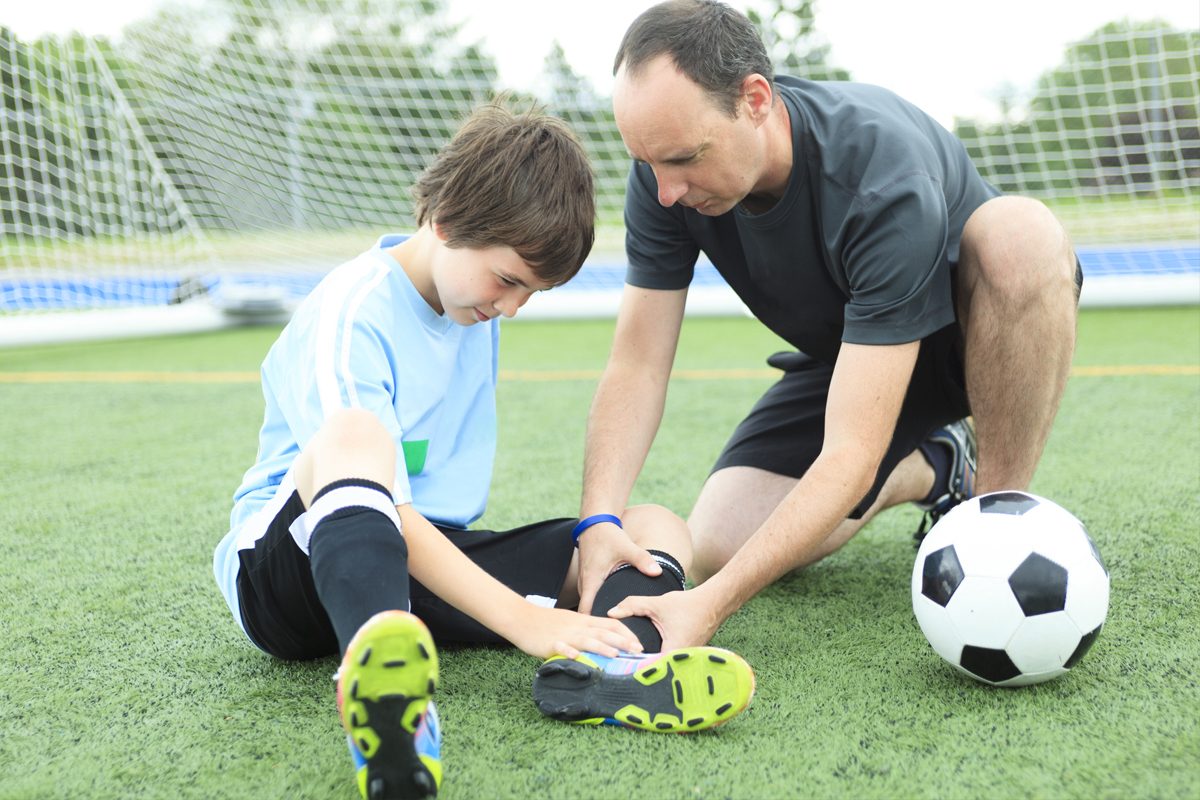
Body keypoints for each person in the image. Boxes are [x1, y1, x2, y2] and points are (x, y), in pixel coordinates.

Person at [211, 102, 756, 800]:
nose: (512, 308)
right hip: (294, 575)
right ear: (445, 221)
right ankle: (387, 698)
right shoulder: (351, 312)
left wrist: (594, 541)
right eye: (509, 280)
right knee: (356, 436)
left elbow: (429, 527)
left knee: (644, 527)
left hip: (429, 559)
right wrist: (527, 620)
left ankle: (616, 669)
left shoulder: (471, 303)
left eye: (531, 292)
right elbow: (379, 495)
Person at [576, 0, 1082, 650]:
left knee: (1021, 234)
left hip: (969, 342)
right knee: (721, 543)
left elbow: (850, 455)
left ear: (755, 100)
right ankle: (934, 465)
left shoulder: (878, 174)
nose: (666, 189)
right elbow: (637, 364)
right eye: (648, 162)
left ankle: (992, 521)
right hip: (855, 353)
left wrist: (707, 609)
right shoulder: (661, 181)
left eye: (683, 158)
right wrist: (597, 518)